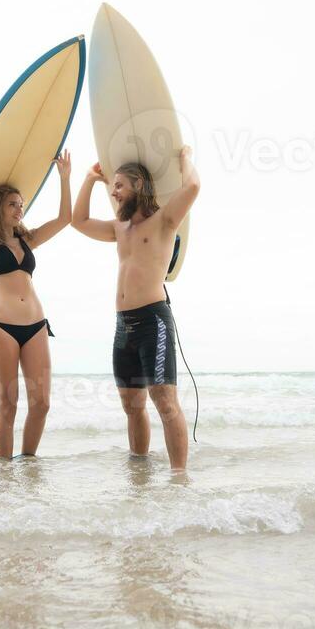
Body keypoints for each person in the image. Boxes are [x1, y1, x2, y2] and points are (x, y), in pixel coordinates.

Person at [71, 146, 200, 470]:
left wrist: (183, 158)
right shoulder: (119, 229)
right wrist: (89, 178)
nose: (113, 192)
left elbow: (193, 187)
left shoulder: (164, 220)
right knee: (131, 404)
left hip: (153, 321)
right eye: (111, 186)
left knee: (165, 403)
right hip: (123, 326)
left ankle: (178, 479)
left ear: (138, 186)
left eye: (119, 186)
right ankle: (140, 472)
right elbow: (79, 221)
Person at [0, 138, 72, 459]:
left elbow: (64, 219)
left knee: (41, 404)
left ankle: (28, 464)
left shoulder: (27, 239)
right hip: (2, 328)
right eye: (13, 203)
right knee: (8, 405)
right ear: (1, 207)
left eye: (22, 204)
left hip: (36, 326)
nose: (19, 208)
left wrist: (64, 179)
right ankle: (4, 475)